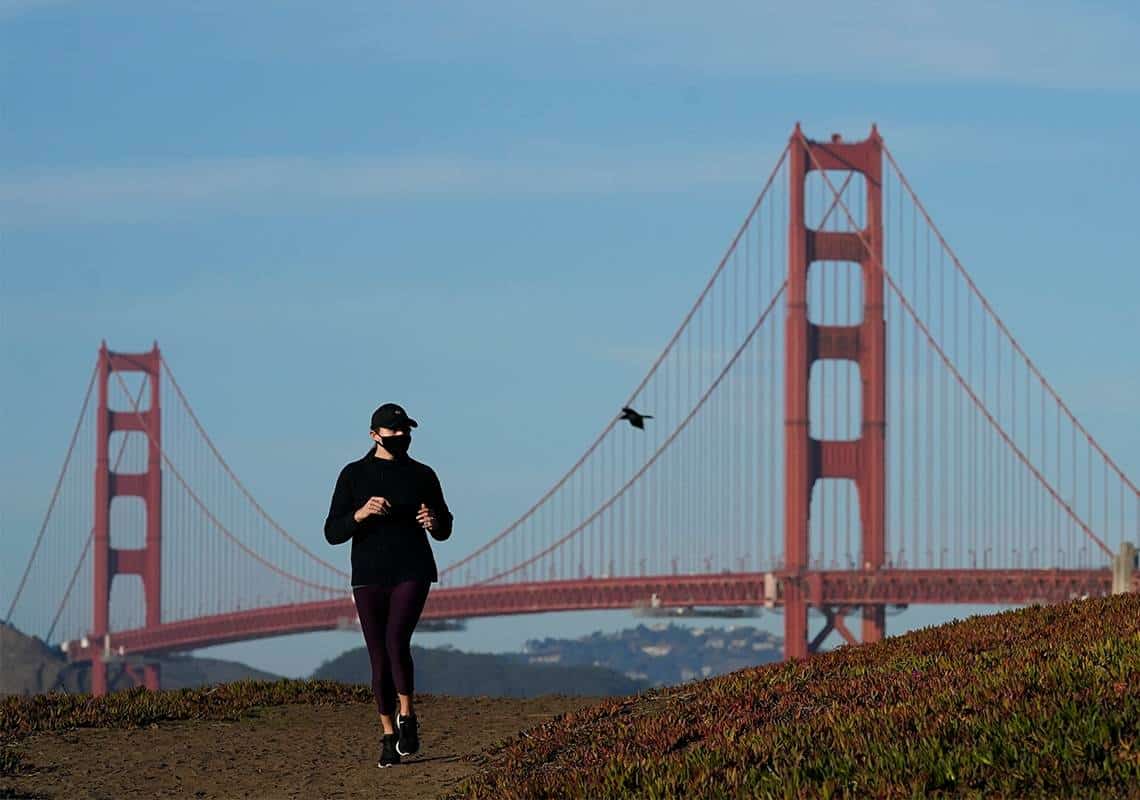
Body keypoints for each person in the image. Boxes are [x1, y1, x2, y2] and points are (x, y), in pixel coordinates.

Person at [324, 402, 454, 768]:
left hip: (412, 569)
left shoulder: (423, 474)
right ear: (374, 435)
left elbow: (445, 526)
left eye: (406, 432)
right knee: (378, 654)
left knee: (397, 639)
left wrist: (435, 521)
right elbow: (332, 532)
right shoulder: (352, 476)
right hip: (368, 575)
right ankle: (387, 734)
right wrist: (360, 514)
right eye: (394, 432)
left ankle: (408, 715)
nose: (401, 438)